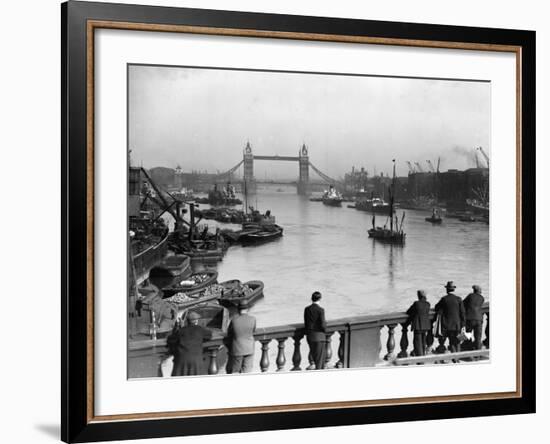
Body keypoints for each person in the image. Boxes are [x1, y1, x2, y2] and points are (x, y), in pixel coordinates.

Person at [167, 311, 212, 376]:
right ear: (196, 321)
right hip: (196, 361)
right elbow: (209, 335)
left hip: (182, 361)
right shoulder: (200, 330)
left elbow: (170, 339)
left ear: (187, 321)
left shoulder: (181, 331)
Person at [434, 281, 466, 354]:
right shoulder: (459, 299)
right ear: (454, 289)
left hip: (448, 325)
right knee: (458, 342)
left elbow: (436, 307)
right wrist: (463, 324)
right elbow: (463, 313)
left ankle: (455, 359)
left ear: (447, 290)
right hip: (458, 325)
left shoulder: (444, 299)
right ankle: (457, 357)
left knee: (451, 342)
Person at [227, 301, 257, 374]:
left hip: (237, 349)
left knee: (235, 372)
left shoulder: (234, 320)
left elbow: (229, 333)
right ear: (247, 309)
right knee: (247, 372)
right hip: (249, 349)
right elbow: (253, 331)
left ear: (238, 309)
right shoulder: (253, 319)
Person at [304, 291, 327, 370]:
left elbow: (306, 323)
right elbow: (323, 325)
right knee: (320, 362)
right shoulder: (321, 310)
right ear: (320, 299)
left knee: (314, 357)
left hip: (310, 337)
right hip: (319, 338)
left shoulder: (307, 309)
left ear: (311, 299)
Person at [406, 290, 431, 356]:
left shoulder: (416, 303)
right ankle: (423, 355)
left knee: (417, 343)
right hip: (425, 326)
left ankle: (420, 359)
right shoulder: (428, 304)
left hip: (418, 325)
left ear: (419, 296)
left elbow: (408, 311)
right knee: (423, 342)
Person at [463, 285, 485, 350]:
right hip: (479, 319)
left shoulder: (470, 296)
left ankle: (468, 349)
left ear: (474, 291)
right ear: (479, 292)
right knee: (478, 337)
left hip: (469, 318)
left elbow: (463, 303)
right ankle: (478, 351)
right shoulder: (482, 298)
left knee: (468, 335)